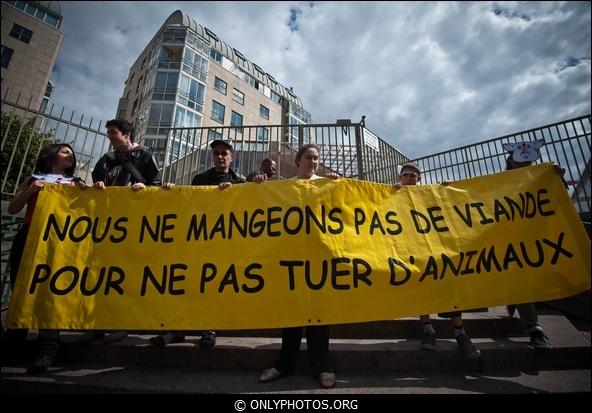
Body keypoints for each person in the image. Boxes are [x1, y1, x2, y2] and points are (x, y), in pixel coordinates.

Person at [80, 119, 174, 344]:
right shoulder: (105, 160)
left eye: (113, 133)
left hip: (134, 225)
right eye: (109, 134)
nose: (110, 137)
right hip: (108, 225)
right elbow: (96, 185)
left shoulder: (145, 156)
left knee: (125, 275)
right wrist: (97, 186)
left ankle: (121, 323)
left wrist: (146, 188)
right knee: (102, 276)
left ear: (127, 133)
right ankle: (97, 323)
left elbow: (157, 186)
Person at [255, 143, 340, 389]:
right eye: (308, 157)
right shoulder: (282, 187)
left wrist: (337, 184)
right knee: (291, 315)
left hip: (318, 259)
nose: (313, 161)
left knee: (319, 316)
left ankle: (323, 366)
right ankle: (284, 364)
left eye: (316, 158)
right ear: (298, 160)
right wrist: (258, 189)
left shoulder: (326, 185)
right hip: (290, 260)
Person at [149, 139, 244, 348]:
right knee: (186, 283)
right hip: (197, 240)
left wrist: (234, 193)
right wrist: (172, 193)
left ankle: (209, 328)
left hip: (223, 243)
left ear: (231, 157)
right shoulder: (199, 179)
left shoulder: (240, 183)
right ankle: (175, 329)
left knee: (213, 286)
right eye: (216, 153)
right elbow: (187, 204)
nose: (220, 157)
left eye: (224, 153)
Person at [5, 143, 88, 373]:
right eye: (65, 152)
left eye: (72, 153)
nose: (70, 156)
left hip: (57, 240)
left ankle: (49, 347)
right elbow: (13, 208)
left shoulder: (75, 183)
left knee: (51, 291)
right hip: (29, 236)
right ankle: (13, 344)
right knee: (21, 288)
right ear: (51, 156)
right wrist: (31, 191)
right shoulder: (33, 179)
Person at [394, 162, 482, 359]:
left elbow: (452, 203)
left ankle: (460, 332)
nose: (408, 179)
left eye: (412, 176)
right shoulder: (393, 194)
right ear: (400, 178)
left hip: (437, 249)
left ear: (419, 178)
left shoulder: (431, 193)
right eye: (405, 175)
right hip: (412, 251)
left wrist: (449, 189)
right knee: (421, 288)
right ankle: (428, 330)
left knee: (451, 288)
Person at [501, 141, 564, 350]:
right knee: (521, 281)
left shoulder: (540, 179)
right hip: (505, 240)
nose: (524, 165)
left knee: (524, 281)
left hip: (533, 240)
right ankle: (534, 328)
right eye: (519, 161)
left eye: (527, 161)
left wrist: (557, 178)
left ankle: (515, 298)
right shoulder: (498, 184)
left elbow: (556, 198)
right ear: (510, 163)